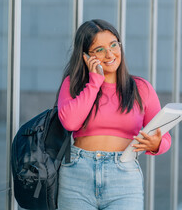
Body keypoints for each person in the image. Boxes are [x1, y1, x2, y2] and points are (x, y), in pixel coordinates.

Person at [57, 19, 171, 210]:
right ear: (85, 56)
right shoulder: (74, 84)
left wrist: (156, 144)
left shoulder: (140, 88)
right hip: (77, 175)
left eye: (113, 45)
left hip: (124, 177)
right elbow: (70, 122)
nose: (110, 54)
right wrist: (95, 82)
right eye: (99, 50)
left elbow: (165, 137)